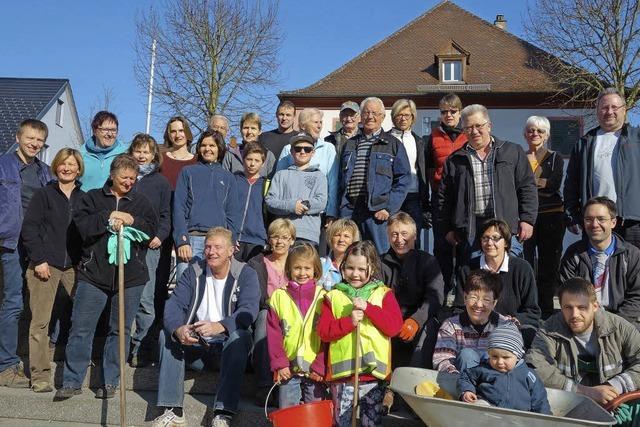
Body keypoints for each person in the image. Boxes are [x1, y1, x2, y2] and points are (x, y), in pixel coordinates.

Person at [54, 154, 157, 401]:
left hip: (130, 278)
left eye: (133, 178)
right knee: (81, 328)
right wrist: (109, 217)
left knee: (119, 331)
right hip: (94, 274)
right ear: (112, 175)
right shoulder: (92, 198)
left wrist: (132, 219)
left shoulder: (141, 202)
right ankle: (71, 380)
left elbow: (151, 230)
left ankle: (110, 381)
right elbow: (83, 228)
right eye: (124, 177)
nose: (129, 182)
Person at [151, 227, 260, 427]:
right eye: (208, 246)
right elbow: (174, 306)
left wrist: (220, 326)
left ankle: (222, 413)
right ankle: (173, 410)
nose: (211, 251)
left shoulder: (245, 274)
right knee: (166, 335)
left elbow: (249, 309)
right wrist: (178, 329)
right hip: (196, 346)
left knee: (240, 337)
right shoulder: (193, 272)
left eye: (218, 247)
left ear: (231, 251)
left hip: (227, 349)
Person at [435, 104, 538, 266]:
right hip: (470, 231)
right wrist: (447, 229)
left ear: (489, 126)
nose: (474, 131)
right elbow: (444, 198)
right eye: (468, 128)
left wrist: (527, 219)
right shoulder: (455, 160)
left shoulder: (512, 152)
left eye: (478, 126)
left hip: (506, 227)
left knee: (508, 278)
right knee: (476, 281)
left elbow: (527, 187)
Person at [317, 241, 403, 427]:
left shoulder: (384, 294)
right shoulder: (333, 296)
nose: (355, 274)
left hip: (372, 377)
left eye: (361, 269)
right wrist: (349, 322)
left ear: (371, 268)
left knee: (369, 424)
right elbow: (324, 332)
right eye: (350, 268)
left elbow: (394, 327)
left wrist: (369, 309)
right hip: (342, 377)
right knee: (342, 423)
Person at [21, 148, 84, 392]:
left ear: (79, 169)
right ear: (55, 167)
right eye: (62, 164)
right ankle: (40, 376)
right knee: (40, 323)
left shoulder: (85, 197)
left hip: (74, 267)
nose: (67, 168)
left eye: (72, 164)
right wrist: (38, 259)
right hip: (45, 264)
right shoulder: (43, 195)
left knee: (78, 320)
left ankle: (72, 371)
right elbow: (30, 229)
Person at [527, 277, 640, 406]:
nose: (575, 314)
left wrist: (615, 386)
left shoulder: (620, 328)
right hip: (569, 404)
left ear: (595, 306)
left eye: (582, 307)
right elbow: (535, 366)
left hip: (617, 404)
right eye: (568, 307)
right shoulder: (549, 330)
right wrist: (583, 391)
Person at [0, 119, 52, 388]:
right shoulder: (3, 164)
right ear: (18, 137)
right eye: (30, 138)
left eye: (39, 140)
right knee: (13, 302)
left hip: (36, 244)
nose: (34, 143)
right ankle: (6, 366)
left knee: (36, 302)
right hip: (9, 242)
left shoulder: (45, 172)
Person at [380, 212, 443, 411]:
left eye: (405, 234)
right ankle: (384, 388)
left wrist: (416, 320)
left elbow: (435, 297)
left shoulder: (428, 261)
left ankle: (413, 393)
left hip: (418, 320)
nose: (400, 240)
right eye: (394, 234)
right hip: (389, 321)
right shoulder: (380, 263)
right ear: (388, 236)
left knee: (428, 330)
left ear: (415, 236)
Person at [565, 87, 640, 250]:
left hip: (633, 222)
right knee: (599, 270)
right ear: (597, 111)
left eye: (615, 107)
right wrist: (571, 215)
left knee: (635, 271)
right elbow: (571, 183)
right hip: (596, 222)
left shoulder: (637, 138)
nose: (609, 112)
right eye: (604, 107)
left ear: (624, 110)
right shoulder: (584, 143)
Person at [338, 97, 411, 253]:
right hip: (350, 210)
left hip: (377, 213)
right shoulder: (349, 144)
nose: (370, 116)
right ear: (360, 116)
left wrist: (388, 208)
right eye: (366, 112)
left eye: (375, 113)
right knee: (350, 255)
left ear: (383, 117)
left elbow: (404, 180)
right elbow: (340, 179)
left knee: (379, 257)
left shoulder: (393, 144)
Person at [455, 219, 541, 346]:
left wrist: (515, 321)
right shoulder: (467, 269)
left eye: (495, 238)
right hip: (476, 330)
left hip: (511, 331)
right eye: (485, 238)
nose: (489, 243)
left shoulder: (522, 268)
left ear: (506, 242)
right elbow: (458, 308)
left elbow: (532, 311)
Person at [559, 197, 640, 330]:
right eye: (589, 219)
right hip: (583, 322)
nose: (594, 224)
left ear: (613, 222)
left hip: (622, 324)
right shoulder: (573, 254)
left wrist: (614, 325)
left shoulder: (631, 255)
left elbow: (637, 298)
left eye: (601, 219)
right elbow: (567, 294)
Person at [127, 134, 172, 367]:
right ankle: (120, 348)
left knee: (146, 300)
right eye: (138, 151)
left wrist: (160, 236)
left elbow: (166, 215)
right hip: (125, 246)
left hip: (150, 247)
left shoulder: (161, 183)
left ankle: (140, 347)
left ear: (155, 155)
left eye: (147, 152)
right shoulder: (125, 178)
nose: (142, 156)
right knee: (124, 298)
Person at [173, 130, 241, 279]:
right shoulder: (187, 172)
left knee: (214, 289)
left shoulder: (229, 178)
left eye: (212, 145)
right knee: (186, 291)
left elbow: (233, 214)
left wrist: (232, 240)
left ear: (220, 149)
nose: (207, 149)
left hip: (218, 242)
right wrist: (182, 240)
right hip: (192, 240)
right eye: (203, 145)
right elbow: (178, 207)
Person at [267, 244, 326, 408]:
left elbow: (328, 337)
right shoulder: (279, 296)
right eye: (297, 268)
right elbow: (273, 334)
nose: (302, 273)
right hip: (288, 369)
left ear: (315, 270)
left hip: (314, 370)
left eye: (307, 268)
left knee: (315, 414)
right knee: (287, 412)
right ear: (289, 270)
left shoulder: (324, 297)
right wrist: (280, 363)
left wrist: (321, 364)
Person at [247, 219, 296, 406]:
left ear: (292, 240)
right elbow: (254, 296)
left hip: (294, 312)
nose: (280, 242)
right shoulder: (257, 263)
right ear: (269, 239)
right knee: (264, 319)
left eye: (285, 237)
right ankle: (264, 386)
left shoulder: (298, 261)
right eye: (275, 237)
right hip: (267, 309)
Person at [522, 116, 565, 319]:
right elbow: (515, 185)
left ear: (547, 135)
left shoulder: (554, 157)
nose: (535, 134)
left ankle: (547, 310)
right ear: (525, 134)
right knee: (527, 263)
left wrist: (527, 183)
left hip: (551, 217)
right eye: (531, 130)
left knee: (549, 264)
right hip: (526, 219)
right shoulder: (519, 157)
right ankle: (530, 308)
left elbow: (554, 184)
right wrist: (539, 183)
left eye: (540, 131)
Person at [458, 322, 551, 414]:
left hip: (519, 414)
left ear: (517, 356)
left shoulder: (528, 375)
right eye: (494, 356)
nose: (500, 362)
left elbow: (540, 399)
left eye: (505, 357)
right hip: (488, 408)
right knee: (478, 406)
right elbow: (466, 377)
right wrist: (467, 390)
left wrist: (544, 419)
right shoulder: (484, 368)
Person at [425, 93, 467, 294]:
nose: (448, 115)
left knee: (463, 245)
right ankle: (443, 290)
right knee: (442, 246)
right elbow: (429, 169)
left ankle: (462, 292)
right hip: (440, 199)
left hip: (464, 199)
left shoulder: (468, 134)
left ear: (460, 112)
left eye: (452, 111)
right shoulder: (433, 136)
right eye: (444, 112)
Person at [433, 270, 512, 374]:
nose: (479, 304)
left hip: (495, 383)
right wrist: (454, 374)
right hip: (461, 381)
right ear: (465, 298)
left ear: (494, 302)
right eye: (473, 297)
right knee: (467, 355)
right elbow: (442, 359)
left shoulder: (505, 326)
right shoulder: (450, 326)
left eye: (486, 299)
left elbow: (515, 358)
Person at [276, 108, 339, 230]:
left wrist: (331, 212)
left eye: (321, 122)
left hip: (319, 214)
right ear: (303, 126)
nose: (319, 126)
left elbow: (333, 182)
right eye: (315, 122)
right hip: (290, 214)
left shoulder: (328, 148)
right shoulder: (288, 149)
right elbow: (279, 183)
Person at [266, 132, 328, 247]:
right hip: (282, 235)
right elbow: (270, 201)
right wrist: (292, 206)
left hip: (308, 235)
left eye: (307, 149)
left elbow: (321, 202)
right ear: (291, 152)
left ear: (313, 152)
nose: (302, 152)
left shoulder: (319, 176)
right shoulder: (281, 175)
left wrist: (302, 206)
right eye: (298, 148)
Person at [389, 99, 430, 248]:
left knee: (413, 238)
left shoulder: (418, 141)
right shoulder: (385, 140)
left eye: (407, 115)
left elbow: (422, 172)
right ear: (393, 117)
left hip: (413, 196)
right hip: (391, 196)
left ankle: (413, 270)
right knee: (392, 236)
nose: (403, 118)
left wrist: (425, 203)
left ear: (413, 117)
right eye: (399, 115)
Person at [234, 142, 268, 262]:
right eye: (249, 159)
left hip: (257, 240)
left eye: (257, 160)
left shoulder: (266, 184)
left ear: (263, 163)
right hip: (234, 239)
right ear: (243, 160)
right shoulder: (234, 180)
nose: (252, 163)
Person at [79, 111, 129, 191]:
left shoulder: (125, 154)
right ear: (94, 130)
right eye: (105, 129)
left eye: (113, 130)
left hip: (113, 202)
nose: (109, 134)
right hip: (85, 202)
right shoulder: (80, 155)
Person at [222, 112, 276, 177]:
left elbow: (272, 180)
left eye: (253, 128)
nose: (249, 132)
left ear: (259, 131)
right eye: (246, 128)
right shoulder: (231, 154)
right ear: (240, 130)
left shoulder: (268, 155)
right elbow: (224, 179)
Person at [318, 218, 360, 291]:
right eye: (337, 235)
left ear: (353, 241)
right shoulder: (320, 263)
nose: (341, 240)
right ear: (331, 238)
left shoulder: (359, 265)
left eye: (346, 236)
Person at [160, 116, 198, 190]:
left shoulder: (198, 161)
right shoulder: (161, 159)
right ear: (168, 135)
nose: (177, 135)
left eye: (181, 130)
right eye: (173, 131)